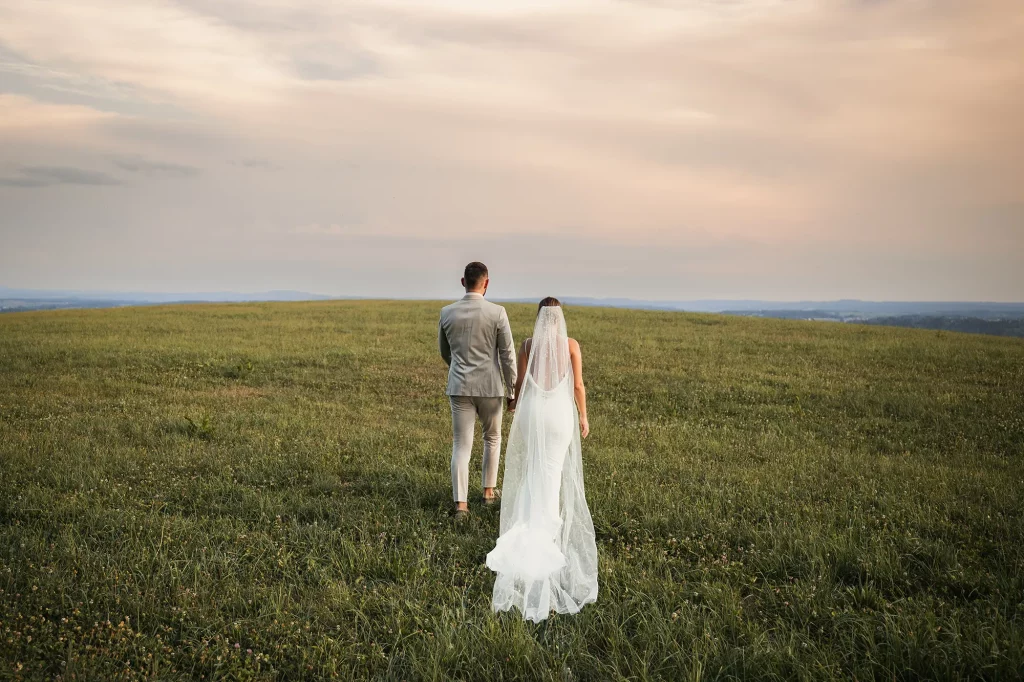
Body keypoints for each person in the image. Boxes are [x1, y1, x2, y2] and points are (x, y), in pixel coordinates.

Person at [485, 297, 598, 622]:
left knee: (536, 472)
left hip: (535, 413)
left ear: (538, 318)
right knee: (552, 474)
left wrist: (515, 407)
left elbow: (521, 384)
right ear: (559, 319)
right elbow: (577, 385)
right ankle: (544, 538)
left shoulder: (527, 344)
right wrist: (584, 416)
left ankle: (532, 528)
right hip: (559, 416)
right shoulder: (572, 345)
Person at [438, 262, 517, 519]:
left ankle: (461, 505)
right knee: (492, 439)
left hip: (459, 385)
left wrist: (458, 368)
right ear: (486, 283)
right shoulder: (498, 312)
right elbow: (507, 354)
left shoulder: (447, 312)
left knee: (461, 444)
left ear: (463, 282)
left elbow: (444, 352)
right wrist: (512, 388)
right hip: (490, 386)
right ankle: (488, 493)